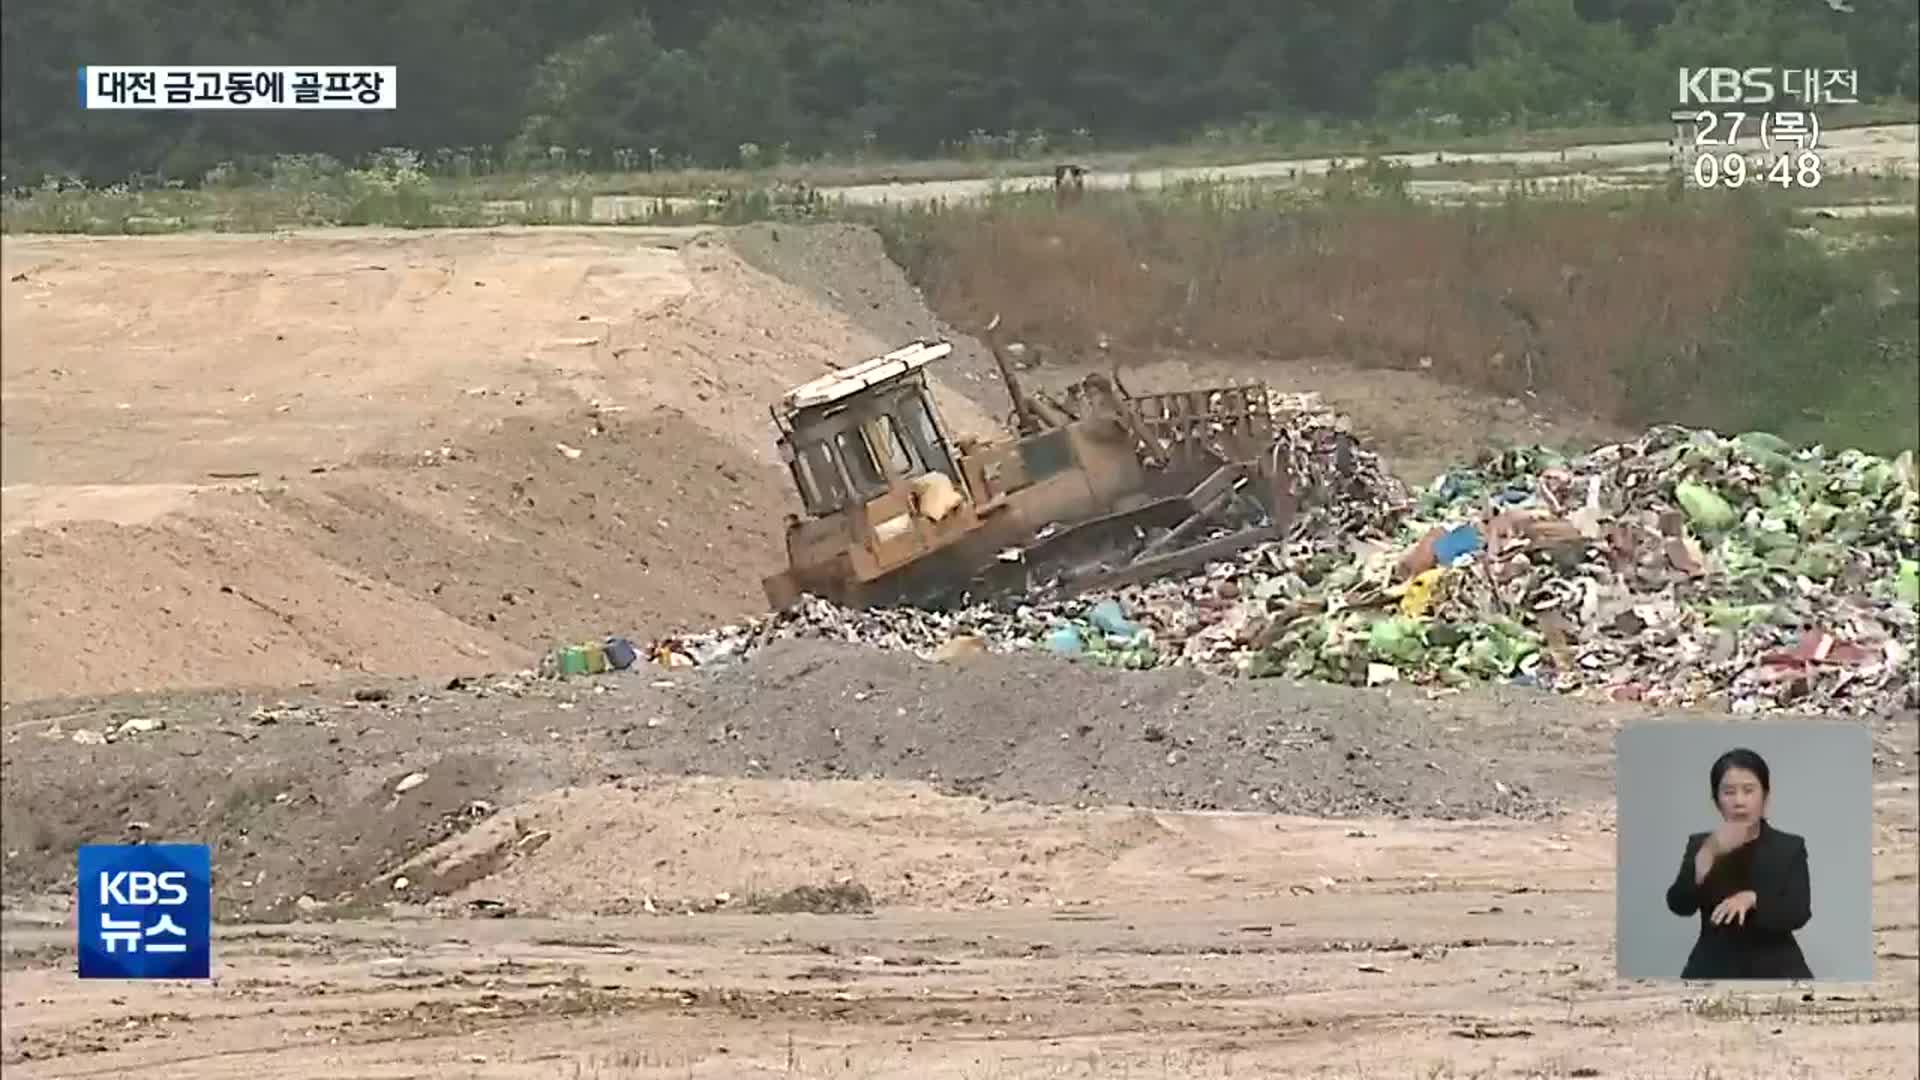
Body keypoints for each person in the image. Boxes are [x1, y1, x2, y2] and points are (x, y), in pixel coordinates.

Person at [1664, 747, 1814, 980]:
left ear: (1765, 797)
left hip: (1778, 969)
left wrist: (1753, 899)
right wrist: (1707, 855)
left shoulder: (1789, 847)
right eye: (1729, 792)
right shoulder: (1701, 845)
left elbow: (1798, 912)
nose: (1739, 801)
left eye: (1749, 791)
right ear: (1716, 801)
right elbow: (1679, 905)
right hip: (1711, 968)